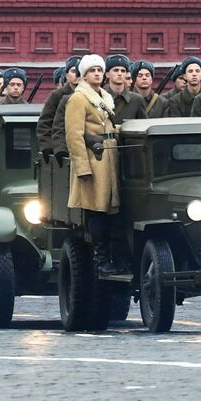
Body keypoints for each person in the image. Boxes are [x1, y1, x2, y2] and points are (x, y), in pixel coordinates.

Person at [63, 54, 120, 271]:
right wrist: (82, 168)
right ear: (84, 75)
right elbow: (74, 136)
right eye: (91, 70)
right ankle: (100, 259)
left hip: (110, 158)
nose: (97, 73)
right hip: (93, 162)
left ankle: (111, 257)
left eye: (99, 70)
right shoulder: (78, 99)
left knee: (110, 213)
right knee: (96, 213)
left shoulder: (104, 98)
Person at [37, 57, 80, 155]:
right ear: (66, 75)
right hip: (60, 149)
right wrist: (48, 148)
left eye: (80, 72)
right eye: (73, 71)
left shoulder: (90, 95)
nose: (77, 75)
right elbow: (45, 123)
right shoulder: (57, 95)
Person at [103, 55, 147, 125]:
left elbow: (143, 127)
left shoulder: (137, 100)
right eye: (116, 70)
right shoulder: (100, 98)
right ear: (107, 74)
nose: (119, 73)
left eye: (123, 71)